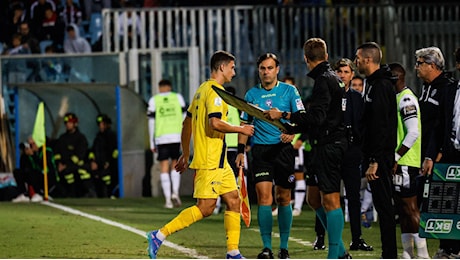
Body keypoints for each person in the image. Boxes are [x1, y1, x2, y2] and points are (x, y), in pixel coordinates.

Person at [146, 50, 254, 259]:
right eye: (232, 67)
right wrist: (241, 130)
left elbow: (187, 123)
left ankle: (233, 252)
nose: (234, 71)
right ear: (222, 67)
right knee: (205, 208)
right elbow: (214, 123)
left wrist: (185, 153)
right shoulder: (215, 92)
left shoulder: (200, 90)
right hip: (210, 160)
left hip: (220, 162)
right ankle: (159, 235)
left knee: (233, 200)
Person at [265, 38, 349, 259]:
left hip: (330, 145)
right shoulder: (333, 78)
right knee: (313, 198)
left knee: (331, 199)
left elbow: (317, 117)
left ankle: (336, 254)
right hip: (322, 144)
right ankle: (339, 249)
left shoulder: (324, 80)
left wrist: (284, 115)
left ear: (305, 58)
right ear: (326, 55)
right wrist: (295, 127)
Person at [237, 53, 303, 259]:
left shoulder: (289, 91)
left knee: (283, 198)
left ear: (277, 69)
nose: (266, 72)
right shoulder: (251, 95)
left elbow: (302, 118)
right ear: (259, 70)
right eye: (262, 68)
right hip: (261, 152)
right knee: (264, 197)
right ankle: (267, 247)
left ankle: (284, 247)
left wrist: (292, 132)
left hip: (283, 151)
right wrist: (240, 151)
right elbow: (244, 125)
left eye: (269, 68)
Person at [354, 42, 397, 259]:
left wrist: (375, 159)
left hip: (378, 157)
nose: (356, 62)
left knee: (384, 205)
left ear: (368, 60)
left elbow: (382, 126)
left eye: (358, 58)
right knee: (381, 204)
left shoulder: (380, 86)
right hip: (376, 155)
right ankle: (389, 252)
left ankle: (390, 254)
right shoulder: (373, 83)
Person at [418, 46, 460, 259]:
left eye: (420, 63)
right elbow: (440, 125)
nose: (417, 67)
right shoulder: (451, 90)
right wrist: (433, 154)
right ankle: (449, 248)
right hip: (452, 153)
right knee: (448, 202)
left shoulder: (446, 87)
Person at [388, 63, 429, 259]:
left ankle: (422, 253)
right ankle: (408, 253)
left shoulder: (405, 99)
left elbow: (413, 132)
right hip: (401, 162)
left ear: (395, 79)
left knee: (410, 206)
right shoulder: (397, 98)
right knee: (402, 209)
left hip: (405, 161)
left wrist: (396, 157)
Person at [334, 58, 373, 252]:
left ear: (352, 74)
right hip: (333, 151)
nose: (342, 75)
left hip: (351, 152)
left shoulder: (358, 98)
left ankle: (357, 239)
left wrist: (360, 150)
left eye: (346, 71)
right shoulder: (329, 96)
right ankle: (323, 237)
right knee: (331, 197)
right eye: (339, 71)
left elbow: (363, 127)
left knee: (353, 197)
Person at [147, 79, 186, 208]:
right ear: (170, 87)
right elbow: (185, 117)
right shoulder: (178, 98)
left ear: (159, 88)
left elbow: (151, 122)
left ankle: (168, 200)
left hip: (161, 137)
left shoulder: (154, 100)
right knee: (175, 164)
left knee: (164, 166)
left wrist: (152, 141)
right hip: (176, 136)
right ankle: (175, 193)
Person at [53, 112, 95, 198]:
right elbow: (57, 153)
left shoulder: (81, 138)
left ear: (75, 124)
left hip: (77, 166)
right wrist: (59, 163)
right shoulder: (62, 138)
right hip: (63, 166)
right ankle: (69, 194)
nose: (68, 125)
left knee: (80, 173)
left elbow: (79, 156)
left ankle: (88, 192)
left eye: (70, 123)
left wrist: (66, 165)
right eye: (67, 123)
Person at [88, 114, 119, 198]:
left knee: (107, 179)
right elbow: (93, 150)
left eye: (102, 124)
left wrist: (109, 162)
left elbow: (115, 151)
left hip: (109, 167)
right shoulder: (98, 137)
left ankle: (110, 195)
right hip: (98, 165)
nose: (101, 126)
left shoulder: (111, 136)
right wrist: (92, 161)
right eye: (99, 124)